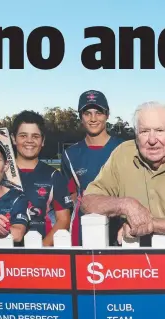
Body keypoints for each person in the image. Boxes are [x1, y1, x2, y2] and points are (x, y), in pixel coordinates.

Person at [81, 101, 165, 244]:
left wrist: (150, 224)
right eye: (144, 131)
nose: (152, 140)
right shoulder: (122, 155)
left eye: (159, 130)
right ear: (136, 133)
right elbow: (88, 201)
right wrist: (125, 204)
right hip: (131, 262)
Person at [61, 90, 124, 245]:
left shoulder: (124, 148)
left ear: (107, 115)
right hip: (83, 227)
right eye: (87, 113)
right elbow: (71, 195)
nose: (93, 118)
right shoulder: (71, 154)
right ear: (81, 117)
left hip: (119, 226)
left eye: (98, 113)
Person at [10, 110, 73, 246]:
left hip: (41, 253)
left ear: (43, 141)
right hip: (1, 252)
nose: (29, 141)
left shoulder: (54, 176)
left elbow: (63, 220)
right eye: (23, 135)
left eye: (35, 136)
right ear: (13, 139)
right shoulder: (0, 173)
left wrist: (41, 250)